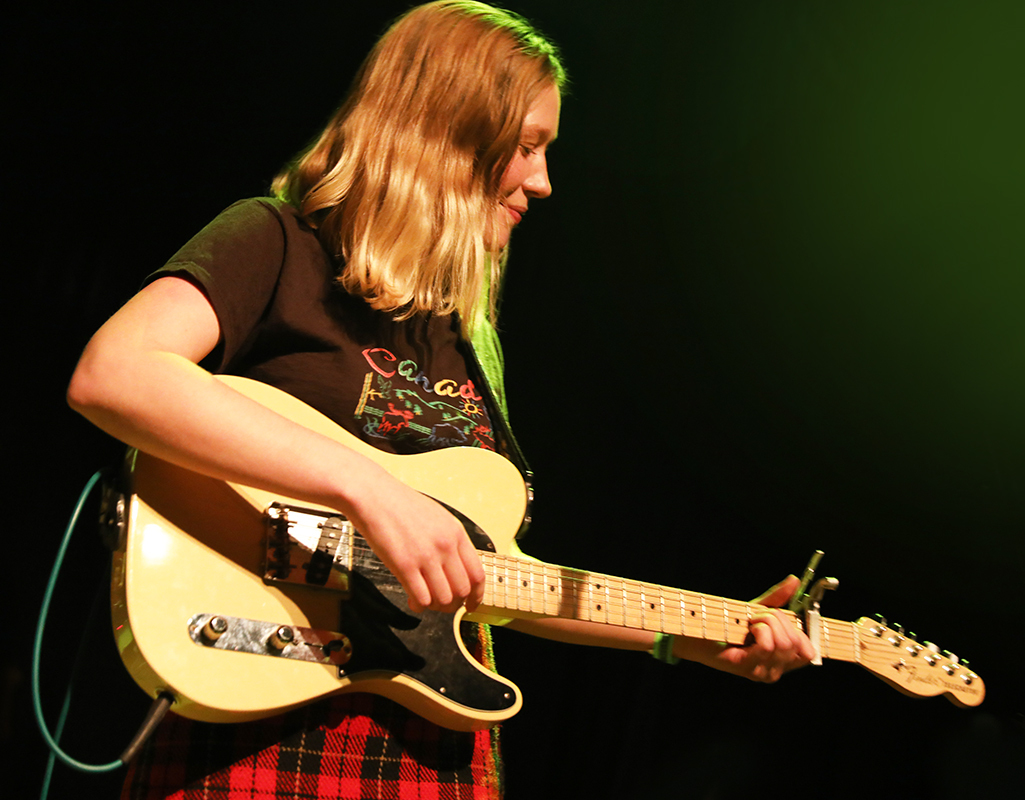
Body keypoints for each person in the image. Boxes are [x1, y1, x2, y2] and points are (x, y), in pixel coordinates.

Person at [67, 2, 814, 797]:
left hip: (433, 756)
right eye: (527, 146)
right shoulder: (280, 241)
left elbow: (498, 582)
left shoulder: (463, 337)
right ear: (446, 132)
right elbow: (117, 371)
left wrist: (686, 640)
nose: (543, 181)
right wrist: (370, 489)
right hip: (261, 728)